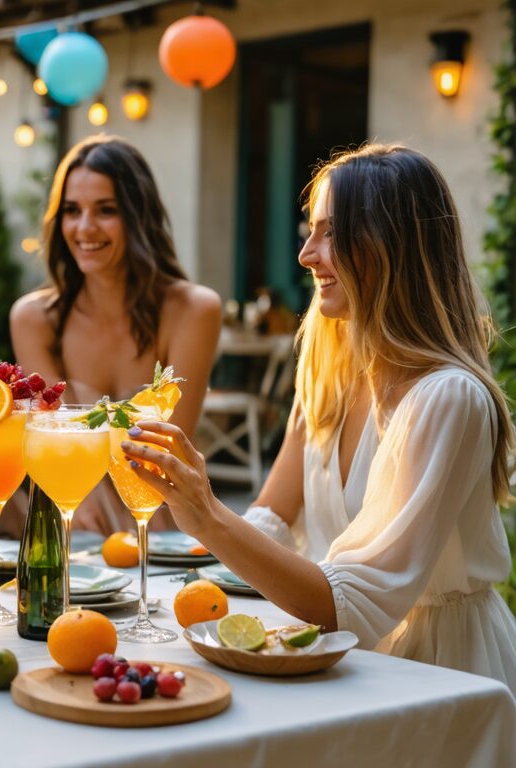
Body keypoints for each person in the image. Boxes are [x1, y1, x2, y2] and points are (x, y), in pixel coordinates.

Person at [122, 144, 516, 692]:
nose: (307, 254)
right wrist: (185, 577)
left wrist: (208, 514)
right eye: (311, 230)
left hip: (441, 672)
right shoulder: (332, 370)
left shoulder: (448, 398)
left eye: (331, 233)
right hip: (335, 658)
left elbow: (352, 605)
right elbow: (273, 514)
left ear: (393, 245)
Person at [10, 135, 221, 533]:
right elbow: (56, 448)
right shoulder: (34, 319)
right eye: (72, 211)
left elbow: (167, 453)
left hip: (163, 533)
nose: (85, 228)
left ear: (137, 217)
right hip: (79, 528)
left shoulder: (193, 311)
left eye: (106, 210)